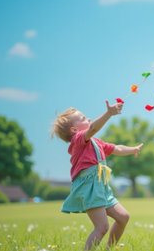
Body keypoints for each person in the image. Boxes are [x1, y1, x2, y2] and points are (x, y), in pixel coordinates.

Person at [51, 100, 143, 250]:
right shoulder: (78, 140)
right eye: (82, 118)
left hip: (100, 186)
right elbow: (93, 127)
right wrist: (109, 113)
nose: (87, 119)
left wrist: (132, 150)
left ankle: (109, 248)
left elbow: (116, 148)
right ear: (74, 130)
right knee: (101, 227)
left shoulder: (95, 142)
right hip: (89, 187)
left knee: (123, 217)